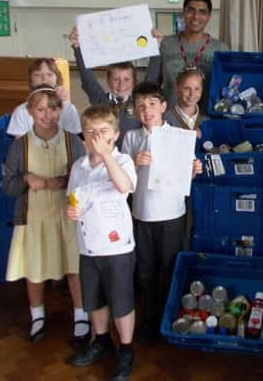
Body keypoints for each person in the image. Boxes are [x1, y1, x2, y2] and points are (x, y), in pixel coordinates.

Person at [3, 87, 88, 344]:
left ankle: (81, 314)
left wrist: (64, 180)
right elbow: (8, 185)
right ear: (30, 112)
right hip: (34, 217)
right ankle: (37, 315)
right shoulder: (21, 146)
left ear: (60, 110)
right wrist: (26, 179)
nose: (47, 115)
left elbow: (86, 178)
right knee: (35, 266)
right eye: (40, 109)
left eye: (52, 109)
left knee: (74, 265)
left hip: (67, 216)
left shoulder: (72, 141)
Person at [122, 82, 203, 342]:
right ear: (135, 110)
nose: (147, 111)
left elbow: (184, 179)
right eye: (141, 106)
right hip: (142, 214)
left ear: (164, 107)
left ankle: (169, 318)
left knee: (168, 266)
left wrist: (193, 169)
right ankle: (149, 319)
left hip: (171, 213)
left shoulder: (179, 136)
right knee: (145, 269)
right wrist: (134, 164)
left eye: (153, 104)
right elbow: (123, 181)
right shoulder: (131, 138)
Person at [66, 105, 137, 380]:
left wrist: (107, 155)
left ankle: (127, 349)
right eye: (90, 132)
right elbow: (72, 199)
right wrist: (68, 210)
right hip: (88, 246)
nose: (96, 138)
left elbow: (123, 186)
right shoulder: (79, 167)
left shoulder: (123, 161)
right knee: (94, 299)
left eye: (103, 132)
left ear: (115, 135)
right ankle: (102, 341)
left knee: (120, 300)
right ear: (83, 135)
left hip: (117, 248)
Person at [68, 26, 149, 147]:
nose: (121, 85)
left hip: (134, 159)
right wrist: (77, 48)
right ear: (108, 81)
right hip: (106, 157)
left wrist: (156, 48)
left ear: (135, 81)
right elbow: (87, 79)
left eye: (127, 79)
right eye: (116, 79)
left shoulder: (139, 102)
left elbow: (152, 77)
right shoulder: (101, 101)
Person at [149, 0, 230, 110]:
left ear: (209, 17)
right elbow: (151, 84)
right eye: (191, 10)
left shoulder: (221, 48)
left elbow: (226, 89)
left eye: (202, 12)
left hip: (206, 118)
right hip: (171, 118)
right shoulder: (164, 44)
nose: (196, 16)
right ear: (183, 13)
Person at [7, 58, 82, 137]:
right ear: (31, 80)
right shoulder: (21, 111)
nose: (44, 78)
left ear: (57, 79)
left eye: (49, 74)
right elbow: (20, 145)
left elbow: (74, 141)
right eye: (37, 75)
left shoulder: (68, 108)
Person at [164, 66, 209, 134]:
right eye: (186, 88)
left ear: (202, 89)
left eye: (196, 89)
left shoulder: (207, 121)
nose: (192, 94)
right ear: (177, 88)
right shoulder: (165, 119)